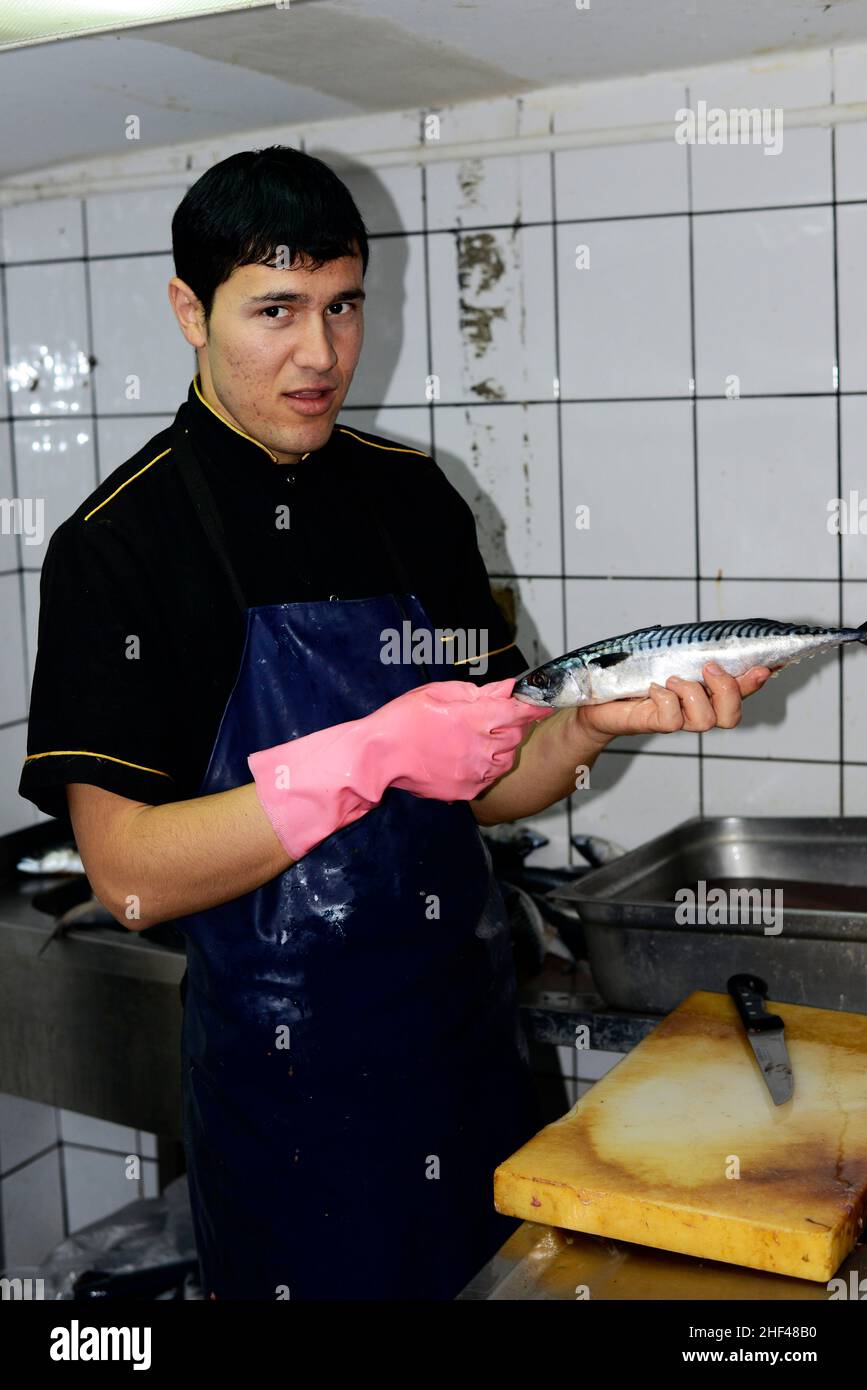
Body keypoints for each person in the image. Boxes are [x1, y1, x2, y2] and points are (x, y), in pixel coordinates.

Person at [18, 146, 771, 1300]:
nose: (320, 354)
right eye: (275, 310)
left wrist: (593, 727)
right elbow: (126, 876)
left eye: (342, 305)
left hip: (468, 1057)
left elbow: (485, 781)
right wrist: (363, 755)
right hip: (288, 1103)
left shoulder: (414, 500)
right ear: (189, 309)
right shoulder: (120, 546)